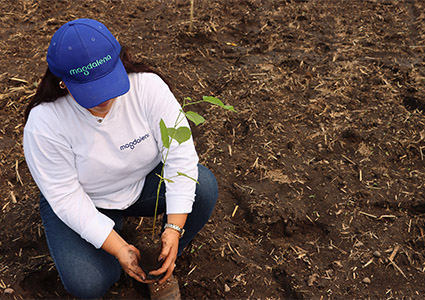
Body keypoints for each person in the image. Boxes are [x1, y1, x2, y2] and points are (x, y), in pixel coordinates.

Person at [23, 18, 218, 299]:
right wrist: (118, 248)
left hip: (142, 186)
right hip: (85, 199)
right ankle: (115, 248)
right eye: (90, 90)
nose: (103, 99)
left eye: (107, 82)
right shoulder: (45, 124)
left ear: (119, 60)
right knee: (87, 283)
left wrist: (174, 228)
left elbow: (180, 155)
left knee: (203, 186)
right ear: (63, 82)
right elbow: (65, 196)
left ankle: (160, 263)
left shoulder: (147, 88)